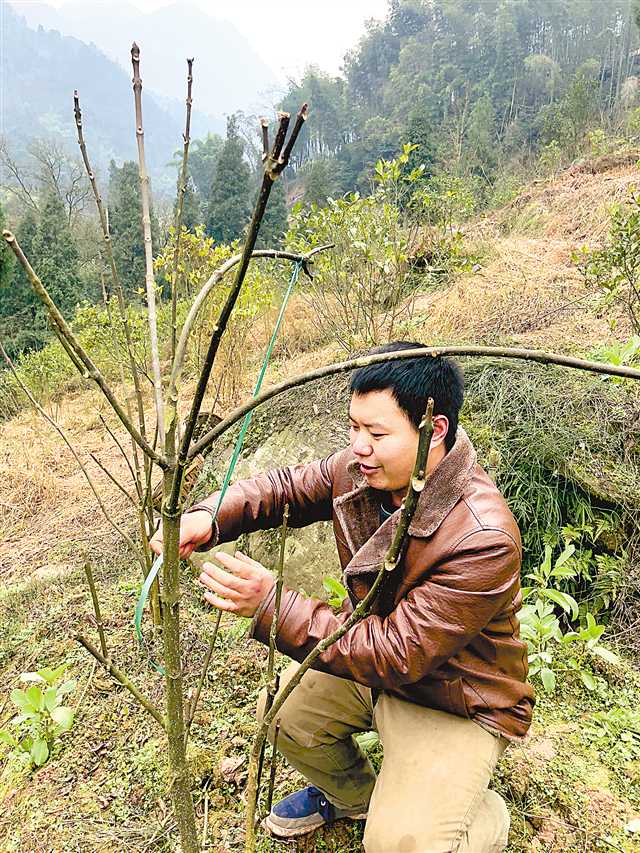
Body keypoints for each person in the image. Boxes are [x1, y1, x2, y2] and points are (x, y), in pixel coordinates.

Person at [150, 341, 534, 853]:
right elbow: (287, 489)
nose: (358, 446)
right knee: (282, 713)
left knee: (401, 847)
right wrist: (210, 516)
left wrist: (271, 605)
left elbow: (398, 653)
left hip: (453, 697)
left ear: (434, 429)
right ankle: (355, 797)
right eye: (353, 427)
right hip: (372, 665)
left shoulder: (483, 537)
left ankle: (481, 818)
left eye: (376, 433)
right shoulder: (365, 469)